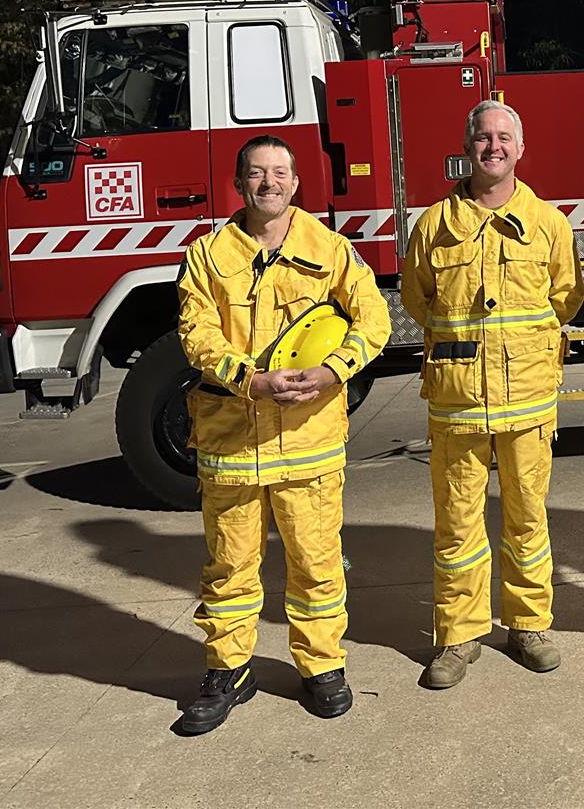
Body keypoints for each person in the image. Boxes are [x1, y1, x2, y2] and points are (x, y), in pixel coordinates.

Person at [175, 134, 391, 734]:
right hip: (232, 442)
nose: (269, 183)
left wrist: (331, 371)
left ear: (297, 184)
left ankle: (322, 667)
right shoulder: (209, 254)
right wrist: (253, 380)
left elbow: (374, 320)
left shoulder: (331, 249)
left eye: (280, 173)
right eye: (256, 173)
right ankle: (228, 670)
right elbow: (196, 335)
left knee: (317, 564)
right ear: (239, 183)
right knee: (229, 567)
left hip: (309, 439)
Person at [402, 100, 584, 690]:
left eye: (504, 137)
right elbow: (417, 299)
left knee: (528, 520)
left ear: (521, 148)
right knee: (457, 525)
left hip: (528, 402)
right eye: (483, 137)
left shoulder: (549, 224)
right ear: (467, 146)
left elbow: (565, 297)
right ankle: (458, 636)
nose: (493, 147)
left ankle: (528, 626)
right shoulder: (433, 225)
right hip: (458, 404)